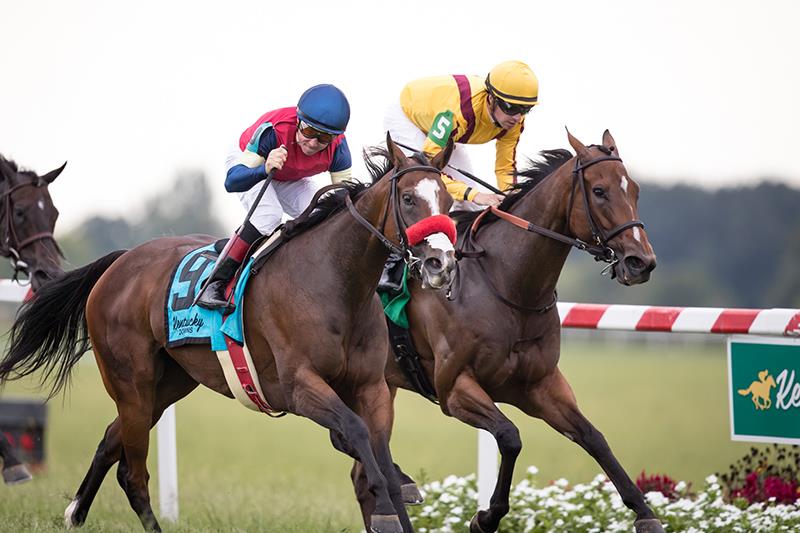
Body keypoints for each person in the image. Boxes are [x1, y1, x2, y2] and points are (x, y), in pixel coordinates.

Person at [197, 84, 352, 311]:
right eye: (309, 132)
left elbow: (344, 199)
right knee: (268, 215)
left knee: (322, 215)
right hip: (251, 167)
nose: (313, 143)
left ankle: (249, 248)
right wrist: (264, 169)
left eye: (324, 138)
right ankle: (213, 282)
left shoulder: (339, 149)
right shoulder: (273, 131)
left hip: (290, 175)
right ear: (298, 122)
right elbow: (232, 182)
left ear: (335, 138)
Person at [384, 60, 539, 210]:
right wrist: (475, 195)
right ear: (491, 99)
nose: (517, 117)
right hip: (407, 117)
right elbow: (427, 169)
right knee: (424, 186)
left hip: (442, 127)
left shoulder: (514, 122)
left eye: (525, 109)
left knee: (471, 205)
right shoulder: (457, 114)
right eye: (511, 107)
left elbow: (505, 168)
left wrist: (513, 199)